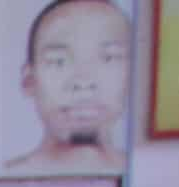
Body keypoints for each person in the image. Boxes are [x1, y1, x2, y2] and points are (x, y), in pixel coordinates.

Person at [10, 0, 130, 170]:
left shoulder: (152, 178)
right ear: (28, 80)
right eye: (59, 62)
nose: (83, 82)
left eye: (108, 58)